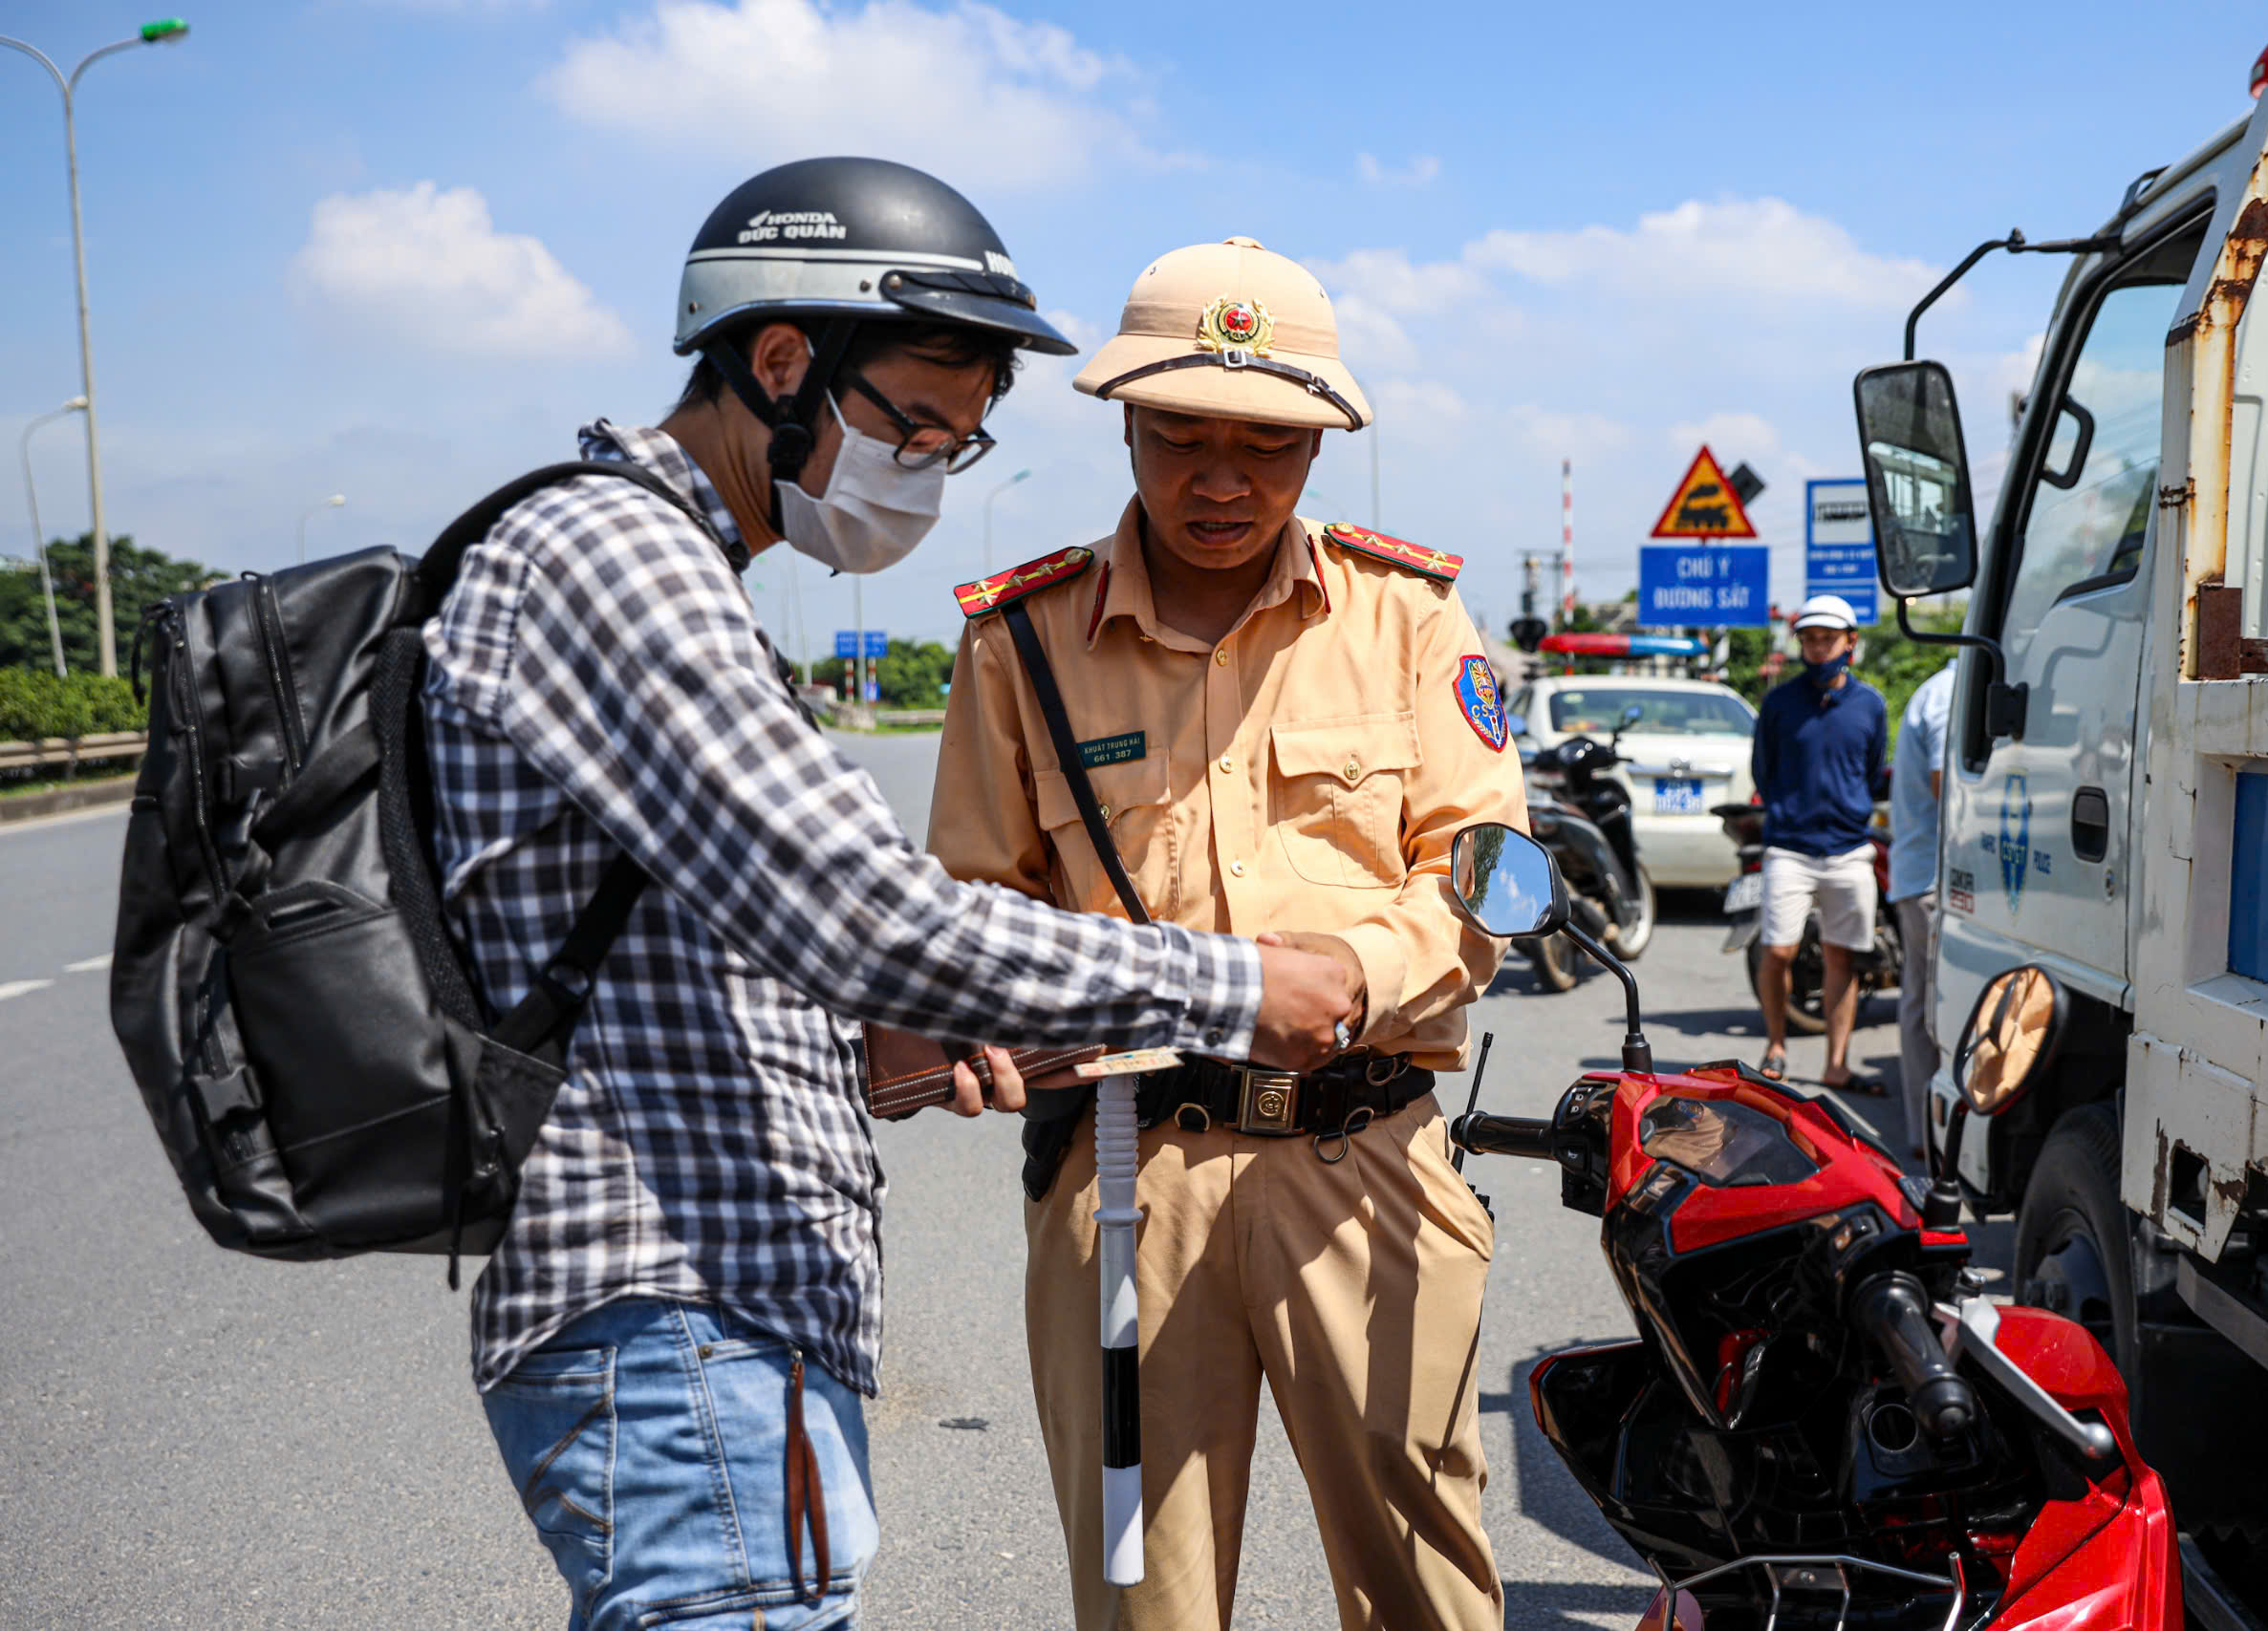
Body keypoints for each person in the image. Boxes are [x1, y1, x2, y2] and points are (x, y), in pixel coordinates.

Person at [421, 163, 1355, 1631]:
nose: (925, 469)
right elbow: (870, 914)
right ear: (783, 362)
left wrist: (878, 1046)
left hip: (728, 1307)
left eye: (957, 444)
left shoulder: (683, 568)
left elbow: (736, 942)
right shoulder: (616, 556)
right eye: (915, 424)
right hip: (677, 1297)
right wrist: (1238, 986)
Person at [870, 235, 1525, 1631]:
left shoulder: (1408, 617)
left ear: (1316, 445)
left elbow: (1483, 871)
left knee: (1426, 1587)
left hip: (1369, 1156)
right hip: (1126, 1180)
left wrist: (1360, 973)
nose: (1220, 479)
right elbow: (974, 906)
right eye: (1179, 436)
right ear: (1123, 420)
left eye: (1266, 443)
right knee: (1137, 1594)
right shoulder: (1023, 640)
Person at [1751, 593, 1888, 1090]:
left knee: (1840, 956)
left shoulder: (1870, 705)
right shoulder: (1779, 703)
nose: (1817, 648)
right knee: (1779, 951)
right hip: (1789, 846)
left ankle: (1837, 1063)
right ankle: (1776, 1043)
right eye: (1809, 639)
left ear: (1850, 642)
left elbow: (1871, 772)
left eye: (1827, 639)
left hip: (1850, 849)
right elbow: (1762, 771)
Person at [1889, 658, 1957, 1160]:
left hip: (1922, 873)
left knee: (1921, 998)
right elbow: (1944, 782)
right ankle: (1933, 1133)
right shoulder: (1952, 692)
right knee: (1935, 1006)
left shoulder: (1941, 687)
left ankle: (1923, 1130)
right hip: (1934, 878)